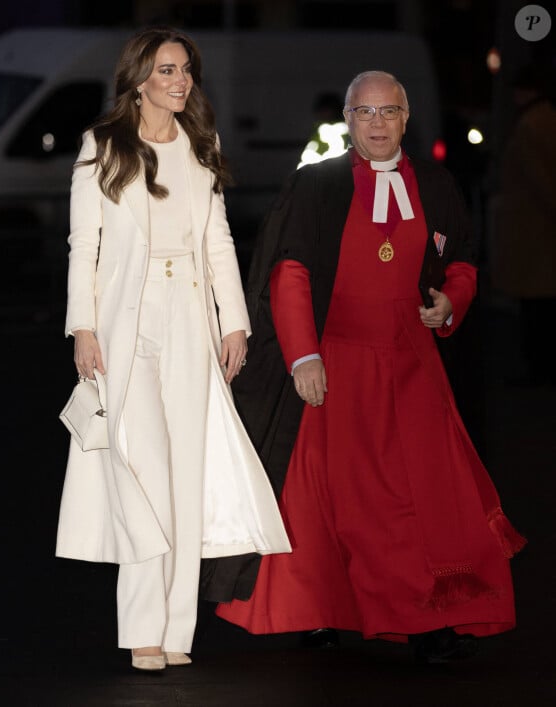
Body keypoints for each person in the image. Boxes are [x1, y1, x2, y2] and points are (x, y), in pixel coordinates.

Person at [212, 70, 526, 664]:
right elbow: (290, 274)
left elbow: (461, 263)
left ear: (407, 118)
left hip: (413, 363)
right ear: (349, 120)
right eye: (365, 112)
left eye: (389, 112)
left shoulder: (435, 183)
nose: (378, 124)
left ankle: (434, 613)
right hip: (337, 365)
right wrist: (304, 356)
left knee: (432, 495)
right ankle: (323, 608)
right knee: (334, 497)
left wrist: (449, 303)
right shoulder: (316, 186)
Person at [55, 26, 290, 672]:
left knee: (186, 474)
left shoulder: (199, 145)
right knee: (144, 476)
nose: (181, 81)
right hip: (128, 324)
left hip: (190, 316)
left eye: (186, 70)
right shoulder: (101, 147)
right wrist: (83, 327)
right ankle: (142, 629)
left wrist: (233, 322)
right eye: (167, 70)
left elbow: (218, 241)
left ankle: (177, 627)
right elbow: (86, 245)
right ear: (138, 78)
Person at [489, 63, 556, 386]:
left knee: (535, 307)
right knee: (540, 304)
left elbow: (540, 181)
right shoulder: (546, 120)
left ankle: (539, 369)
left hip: (533, 228)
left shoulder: (530, 125)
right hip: (538, 229)